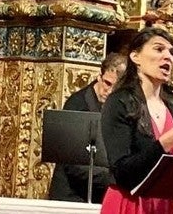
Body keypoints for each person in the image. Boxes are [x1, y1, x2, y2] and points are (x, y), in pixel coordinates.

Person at [100, 27, 173, 214]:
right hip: (129, 202)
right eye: (158, 49)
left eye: (172, 53)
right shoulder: (119, 102)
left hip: (163, 204)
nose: (168, 57)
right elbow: (122, 171)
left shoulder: (172, 105)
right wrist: (165, 142)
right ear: (135, 57)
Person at [48, 53, 127, 202]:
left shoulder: (118, 107)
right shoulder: (77, 104)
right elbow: (73, 164)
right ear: (99, 76)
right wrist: (114, 178)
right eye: (107, 83)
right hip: (70, 196)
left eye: (115, 88)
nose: (109, 91)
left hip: (99, 196)